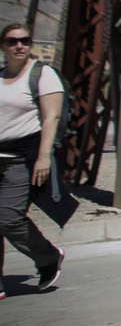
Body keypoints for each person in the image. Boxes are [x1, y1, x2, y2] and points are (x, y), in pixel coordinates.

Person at [0, 23, 66, 297]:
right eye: (12, 41)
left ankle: (48, 257)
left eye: (24, 40)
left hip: (20, 159)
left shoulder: (43, 74)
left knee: (8, 218)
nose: (19, 45)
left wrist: (42, 158)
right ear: (3, 46)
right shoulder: (1, 76)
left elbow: (51, 117)